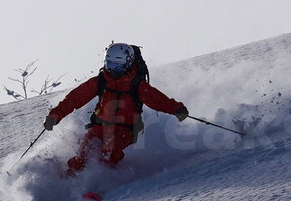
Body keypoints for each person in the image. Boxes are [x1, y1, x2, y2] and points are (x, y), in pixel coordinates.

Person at [43, 43, 188, 176]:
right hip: (99, 126)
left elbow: (158, 100)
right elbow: (74, 99)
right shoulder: (100, 81)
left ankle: (102, 178)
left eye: (118, 67)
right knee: (85, 151)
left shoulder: (137, 86)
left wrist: (176, 109)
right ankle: (71, 178)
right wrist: (54, 116)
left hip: (125, 130)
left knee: (109, 150)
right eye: (110, 65)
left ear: (128, 64)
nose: (113, 70)